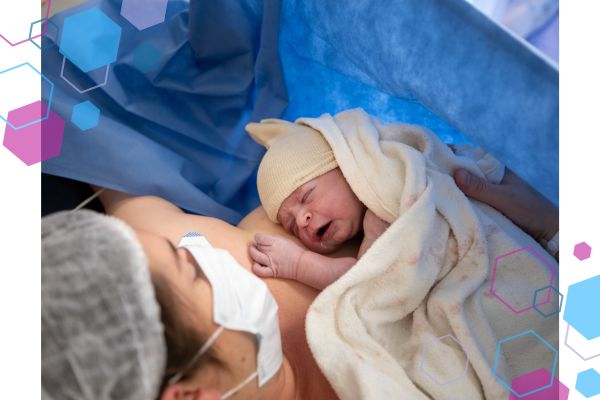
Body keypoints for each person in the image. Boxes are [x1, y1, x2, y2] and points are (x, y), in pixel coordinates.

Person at [42, 166, 557, 399]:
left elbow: (105, 158)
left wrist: (551, 227)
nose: (200, 250)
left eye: (180, 249)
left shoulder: (157, 254)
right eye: (193, 269)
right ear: (188, 396)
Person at [244, 111, 559, 290]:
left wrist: (300, 264)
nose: (302, 220)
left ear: (347, 163)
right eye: (290, 224)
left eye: (306, 196)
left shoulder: (385, 194)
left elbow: (366, 279)